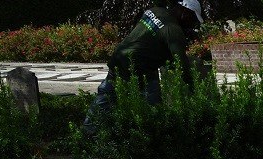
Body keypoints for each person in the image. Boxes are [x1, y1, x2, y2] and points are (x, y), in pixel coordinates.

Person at [84, 0, 204, 131]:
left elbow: (149, 39)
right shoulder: (174, 31)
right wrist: (194, 90)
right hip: (140, 69)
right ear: (185, 13)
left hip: (119, 59)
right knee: (152, 108)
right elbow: (182, 65)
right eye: (193, 19)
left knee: (105, 97)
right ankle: (147, 138)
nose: (192, 25)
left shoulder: (154, 11)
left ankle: (88, 132)